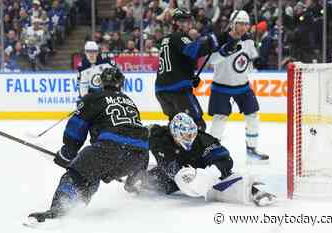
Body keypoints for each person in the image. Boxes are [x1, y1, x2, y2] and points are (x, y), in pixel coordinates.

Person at [26, 67, 149, 224]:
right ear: (121, 84)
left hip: (110, 149)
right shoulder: (129, 101)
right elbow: (134, 133)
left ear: (102, 82)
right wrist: (133, 177)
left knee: (79, 173)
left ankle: (61, 207)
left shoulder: (93, 98)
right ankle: (132, 183)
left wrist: (67, 154)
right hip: (139, 155)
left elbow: (75, 129)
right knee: (93, 170)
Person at [128, 113, 276, 206]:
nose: (190, 138)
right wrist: (137, 172)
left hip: (200, 171)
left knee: (222, 176)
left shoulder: (204, 141)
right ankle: (141, 176)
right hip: (172, 174)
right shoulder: (158, 137)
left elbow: (225, 160)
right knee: (160, 185)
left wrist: (211, 173)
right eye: (185, 136)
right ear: (174, 134)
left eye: (192, 134)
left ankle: (255, 192)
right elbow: (140, 147)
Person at [207, 10, 269, 163]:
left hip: (242, 86)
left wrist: (259, 61)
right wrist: (224, 50)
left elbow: (252, 56)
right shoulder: (221, 38)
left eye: (246, 24)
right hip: (221, 86)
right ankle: (213, 152)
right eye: (240, 23)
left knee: (253, 115)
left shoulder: (248, 40)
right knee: (220, 119)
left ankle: (251, 149)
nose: (243, 27)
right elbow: (212, 61)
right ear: (233, 24)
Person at [155, 8, 220, 131]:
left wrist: (189, 79)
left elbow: (177, 62)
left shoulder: (167, 39)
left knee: (177, 127)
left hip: (162, 91)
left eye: (189, 21)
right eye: (184, 21)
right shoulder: (179, 36)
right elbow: (194, 51)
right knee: (197, 125)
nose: (189, 24)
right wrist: (211, 42)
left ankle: (173, 150)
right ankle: (198, 151)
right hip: (177, 90)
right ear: (176, 23)